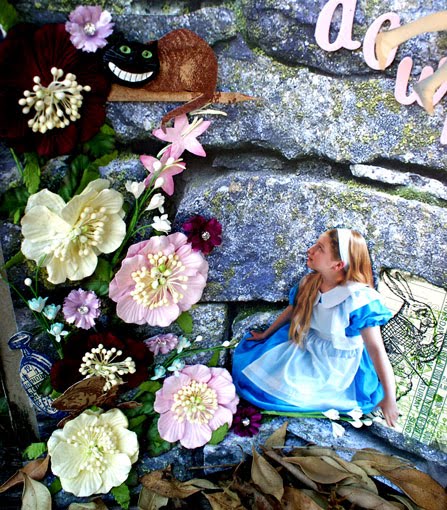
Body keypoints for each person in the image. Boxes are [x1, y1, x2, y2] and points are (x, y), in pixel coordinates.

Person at [232, 228, 399, 427]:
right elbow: (293, 309)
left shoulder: (358, 301)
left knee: (299, 396)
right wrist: (266, 334)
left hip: (337, 364)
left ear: (338, 264)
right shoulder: (310, 282)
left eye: (320, 248)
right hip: (307, 346)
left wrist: (390, 397)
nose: (310, 250)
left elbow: (376, 350)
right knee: (257, 377)